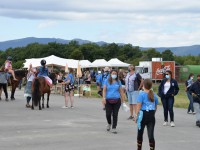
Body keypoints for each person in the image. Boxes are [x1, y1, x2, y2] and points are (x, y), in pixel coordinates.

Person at [135, 79, 158, 150]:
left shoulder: (141, 94)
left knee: (140, 133)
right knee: (151, 135)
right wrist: (152, 114)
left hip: (142, 115)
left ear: (143, 86)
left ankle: (139, 148)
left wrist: (136, 116)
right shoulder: (154, 95)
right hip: (151, 116)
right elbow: (155, 107)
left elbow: (138, 106)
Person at [102, 70, 125, 134]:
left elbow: (121, 91)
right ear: (110, 74)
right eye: (113, 73)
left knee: (115, 114)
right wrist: (103, 98)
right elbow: (104, 90)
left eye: (115, 73)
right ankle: (109, 123)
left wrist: (123, 100)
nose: (114, 74)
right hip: (108, 100)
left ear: (117, 75)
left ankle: (114, 127)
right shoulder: (106, 81)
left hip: (117, 100)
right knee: (108, 114)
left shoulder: (118, 82)